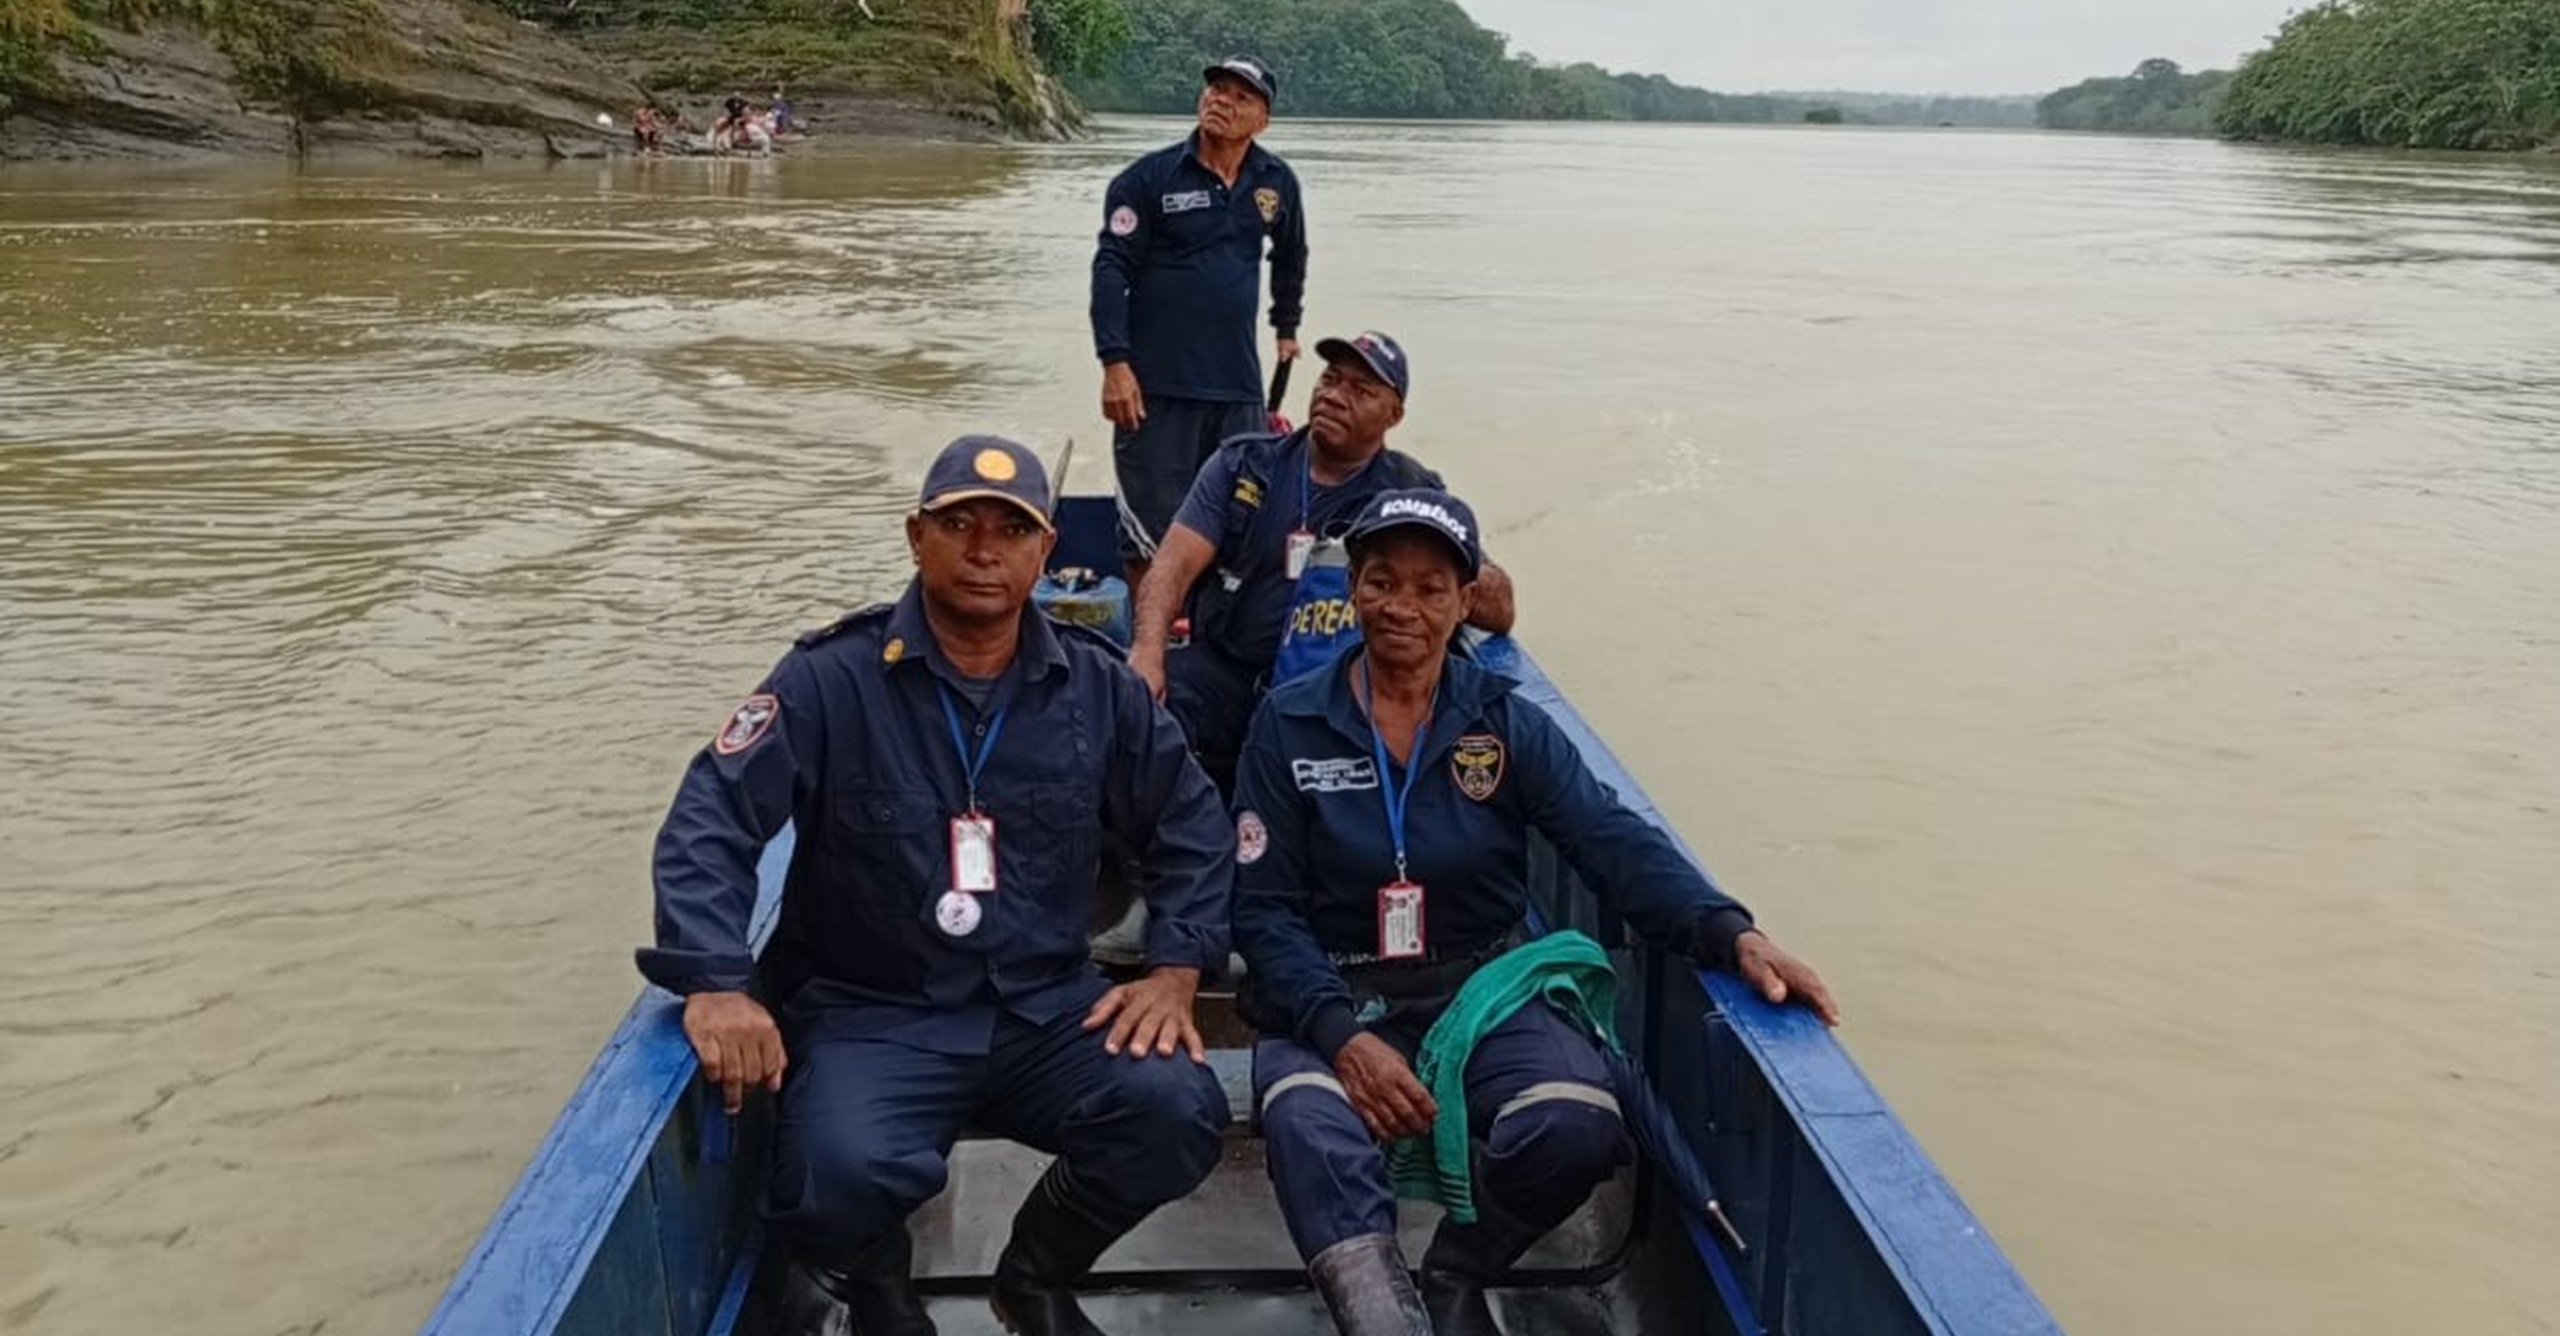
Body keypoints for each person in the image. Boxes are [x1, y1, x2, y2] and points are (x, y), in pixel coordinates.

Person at [639, 435, 1236, 1336]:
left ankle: (1034, 1276)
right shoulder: (830, 679)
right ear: (917, 536)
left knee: (1178, 1110)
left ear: (1045, 552)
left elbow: (1192, 824)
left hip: (1046, 1010)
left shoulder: (1097, 690)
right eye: (960, 525)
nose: (985, 550)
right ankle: (880, 1288)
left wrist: (1174, 972)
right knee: (830, 1174)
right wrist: (715, 978)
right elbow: (711, 817)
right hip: (879, 1011)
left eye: (1012, 530)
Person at [1230, 489, 1842, 1336]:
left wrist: (1732, 932)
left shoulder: (1502, 724)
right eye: (1381, 582)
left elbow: (1608, 840)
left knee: (1577, 1123)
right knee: (1310, 1129)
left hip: (1480, 991)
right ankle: (1381, 1317)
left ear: (1465, 601)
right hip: (1335, 991)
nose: (1402, 607)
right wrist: (1340, 1037)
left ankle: (1458, 1268)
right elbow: (1263, 914)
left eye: (1430, 589)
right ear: (1355, 591)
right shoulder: (1289, 723)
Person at [1128, 330, 1514, 797]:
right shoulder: (1243, 464)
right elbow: (1170, 566)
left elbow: (1498, 609)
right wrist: (1147, 651)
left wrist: (1440, 565)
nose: (1334, 395)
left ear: (1393, 416)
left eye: (1360, 390)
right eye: (1330, 379)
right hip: (1230, 672)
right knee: (1137, 710)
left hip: (1342, 693)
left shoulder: (1410, 494)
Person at [1091, 54, 1307, 579]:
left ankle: (1211, 624)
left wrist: (1286, 326)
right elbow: (1111, 268)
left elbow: (1291, 253)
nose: (1222, 101)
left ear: (1263, 120)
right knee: (1148, 529)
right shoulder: (1147, 179)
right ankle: (1149, 629)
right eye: (1216, 89)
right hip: (1156, 387)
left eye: (1241, 96)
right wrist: (1114, 363)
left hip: (1237, 386)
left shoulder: (1276, 182)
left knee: (1241, 519)